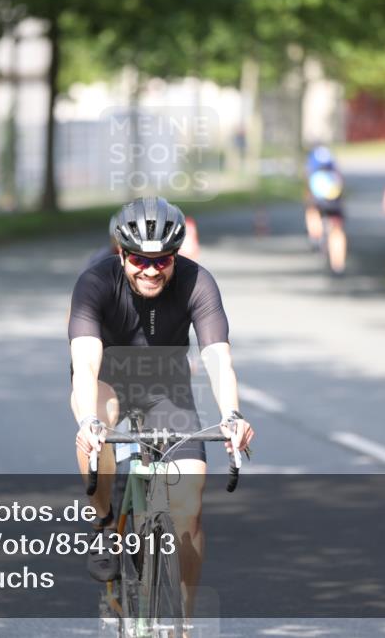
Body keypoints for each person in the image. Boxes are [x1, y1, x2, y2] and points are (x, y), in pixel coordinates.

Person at [68, 196, 254, 614]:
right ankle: (102, 524)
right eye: (140, 259)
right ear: (122, 253)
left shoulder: (197, 282)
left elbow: (218, 359)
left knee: (188, 507)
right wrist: (88, 421)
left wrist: (231, 415)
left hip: (166, 386)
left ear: (175, 256)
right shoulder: (94, 283)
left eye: (162, 260)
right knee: (97, 428)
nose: (151, 270)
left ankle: (183, 619)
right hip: (107, 379)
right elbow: (84, 362)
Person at [303, 145, 347, 275]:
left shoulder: (312, 164)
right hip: (334, 200)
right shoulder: (332, 164)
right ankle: (338, 263)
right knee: (337, 229)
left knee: (311, 210)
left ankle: (315, 237)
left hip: (318, 200)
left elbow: (308, 183)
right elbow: (340, 182)